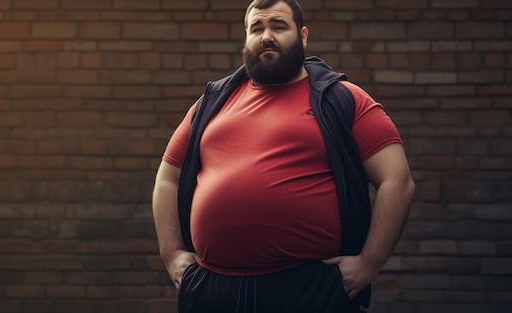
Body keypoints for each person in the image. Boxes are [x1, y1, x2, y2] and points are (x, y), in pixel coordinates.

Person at [152, 0, 414, 312]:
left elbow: (397, 181)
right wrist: (172, 255)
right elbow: (168, 177)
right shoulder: (210, 104)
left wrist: (369, 263)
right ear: (246, 39)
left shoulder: (342, 99)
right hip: (213, 289)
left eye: (278, 26)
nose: (266, 36)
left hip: (307, 289)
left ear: (302, 36)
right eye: (257, 28)